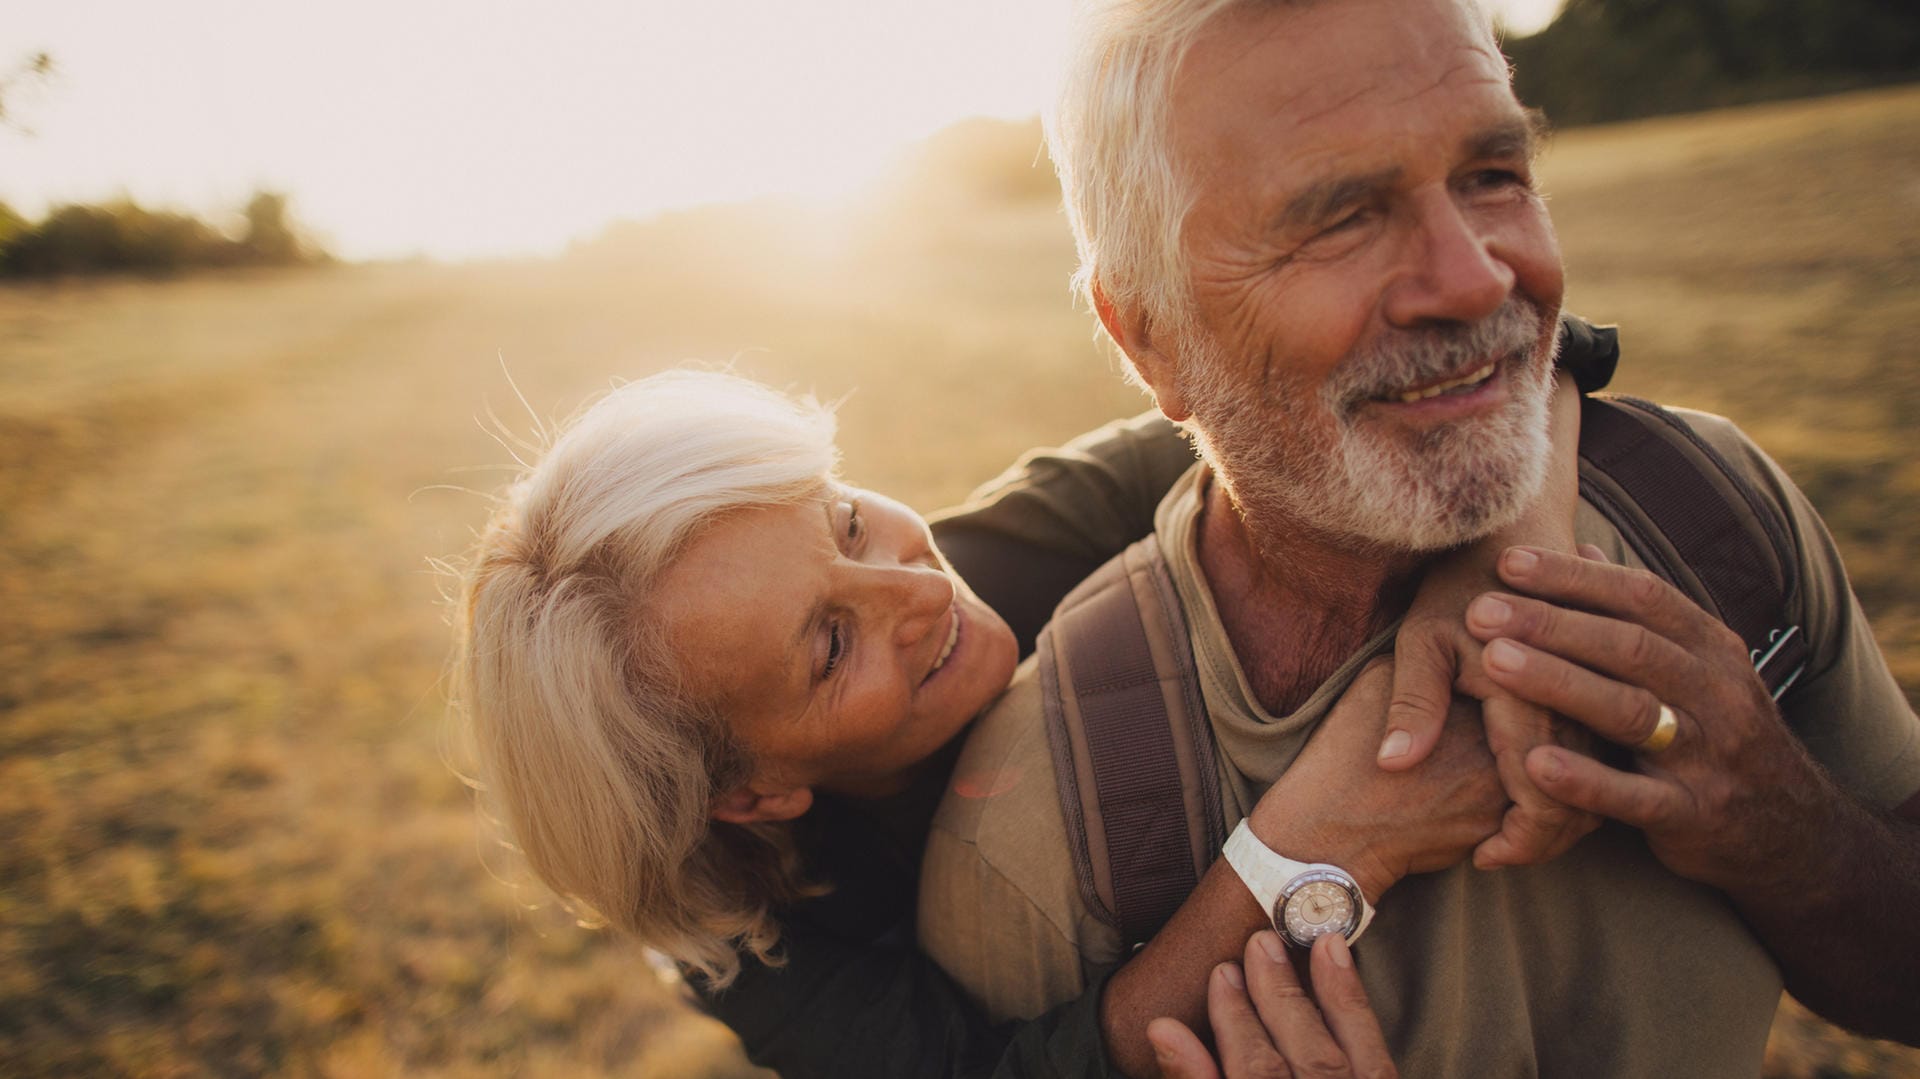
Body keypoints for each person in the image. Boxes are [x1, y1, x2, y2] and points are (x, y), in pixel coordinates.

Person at [916, 0, 1920, 1076]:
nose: (1478, 277)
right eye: (1337, 218)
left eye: (1493, 174)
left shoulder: (1714, 513)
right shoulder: (1040, 825)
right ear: (1150, 335)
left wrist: (1790, 828)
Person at [450, 344, 1607, 1077]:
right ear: (753, 791)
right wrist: (1315, 846)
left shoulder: (1007, 543)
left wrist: (1505, 567)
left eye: (847, 520)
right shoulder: (746, 942)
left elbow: (1469, 357)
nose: (917, 584)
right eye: (830, 643)